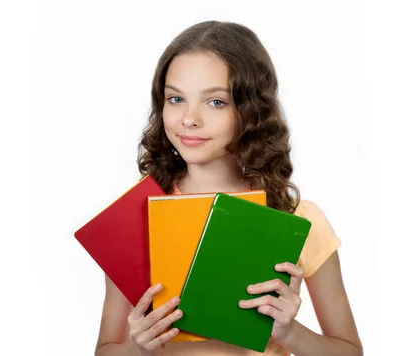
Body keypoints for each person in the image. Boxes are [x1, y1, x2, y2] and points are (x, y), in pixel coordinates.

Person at [94, 21, 363, 356]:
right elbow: (105, 350)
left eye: (216, 102)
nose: (189, 119)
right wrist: (140, 348)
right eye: (176, 98)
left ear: (251, 110)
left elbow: (350, 351)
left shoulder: (297, 219)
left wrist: (288, 332)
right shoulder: (135, 217)